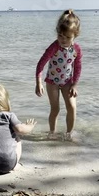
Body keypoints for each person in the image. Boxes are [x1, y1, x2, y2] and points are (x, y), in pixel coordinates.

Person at [35, 9, 82, 141]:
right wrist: (39, 82)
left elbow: (78, 67)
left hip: (67, 82)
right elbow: (41, 64)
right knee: (55, 108)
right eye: (60, 36)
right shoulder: (54, 47)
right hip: (52, 82)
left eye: (67, 37)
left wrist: (74, 84)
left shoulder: (76, 49)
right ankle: (52, 133)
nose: (63, 40)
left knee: (72, 107)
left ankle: (69, 134)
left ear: (75, 35)